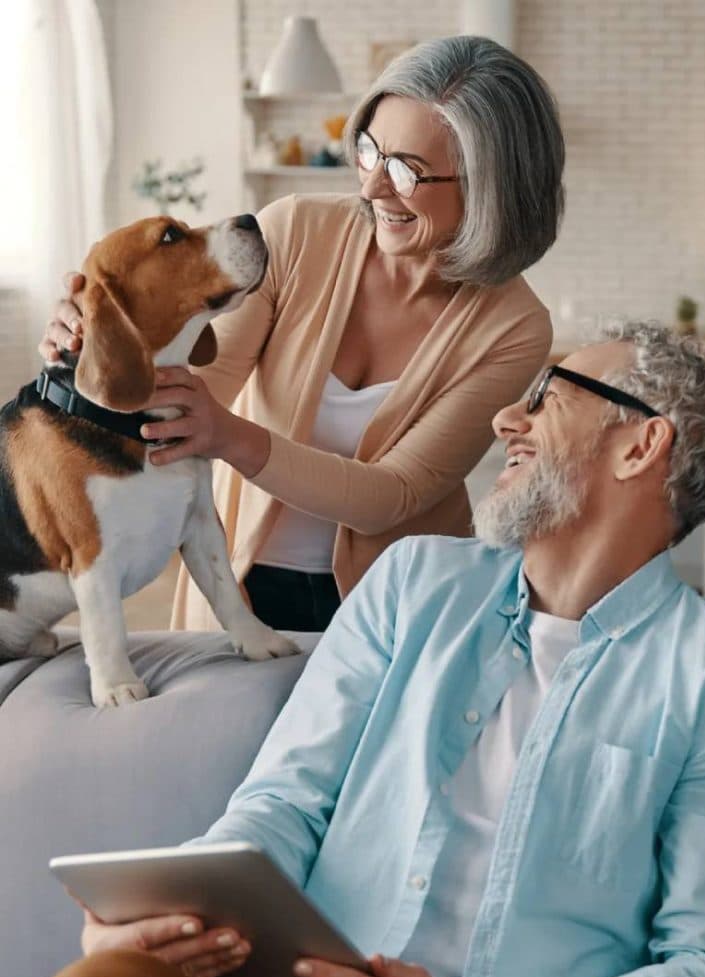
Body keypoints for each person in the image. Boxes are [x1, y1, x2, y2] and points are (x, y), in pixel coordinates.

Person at [35, 323, 705, 977]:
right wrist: (175, 915)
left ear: (640, 447)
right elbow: (285, 803)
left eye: (547, 399)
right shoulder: (413, 584)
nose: (507, 420)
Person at [39, 35, 565, 633]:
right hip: (239, 580)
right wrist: (97, 336)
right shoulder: (294, 231)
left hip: (398, 607)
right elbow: (189, 386)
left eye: (407, 170)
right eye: (369, 151)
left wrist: (229, 435)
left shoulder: (515, 328)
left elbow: (392, 496)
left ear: (490, 186)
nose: (371, 188)